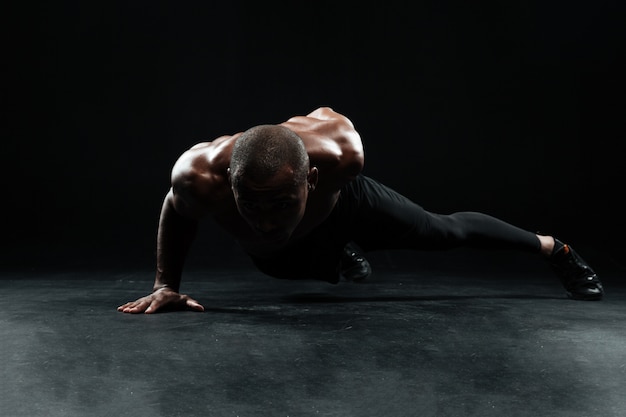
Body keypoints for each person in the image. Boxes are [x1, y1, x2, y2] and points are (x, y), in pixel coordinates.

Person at [117, 106, 604, 314]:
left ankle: (554, 248)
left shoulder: (340, 156)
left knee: (442, 231)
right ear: (230, 186)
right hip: (283, 255)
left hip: (347, 209)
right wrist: (166, 286)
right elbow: (174, 209)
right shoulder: (199, 176)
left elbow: (325, 115)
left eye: (280, 204)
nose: (264, 220)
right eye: (251, 205)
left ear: (311, 178)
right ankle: (336, 257)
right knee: (291, 268)